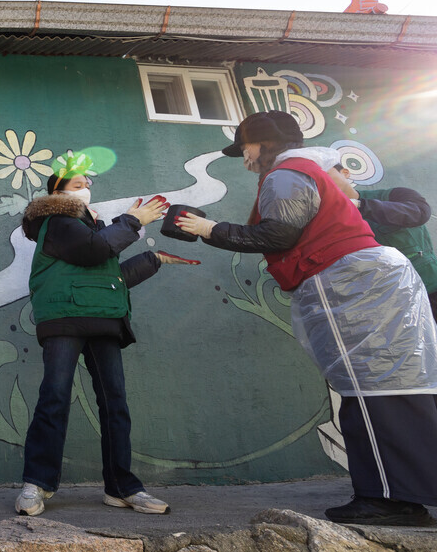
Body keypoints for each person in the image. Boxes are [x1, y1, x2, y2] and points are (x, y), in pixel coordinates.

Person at [177, 111, 437, 526]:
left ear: (262, 143)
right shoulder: (298, 173)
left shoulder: (286, 174)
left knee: (366, 387)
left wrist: (209, 228)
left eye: (243, 146)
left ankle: (389, 499)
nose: (242, 156)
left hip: (349, 279)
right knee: (392, 384)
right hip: (366, 276)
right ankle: (401, 493)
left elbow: (280, 234)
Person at [16, 153, 188, 518]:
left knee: (115, 403)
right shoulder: (58, 220)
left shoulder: (95, 229)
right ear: (58, 192)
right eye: (78, 184)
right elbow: (93, 252)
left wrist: (155, 260)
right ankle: (37, 482)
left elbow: (108, 278)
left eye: (88, 183)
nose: (87, 188)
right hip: (64, 318)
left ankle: (122, 487)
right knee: (55, 397)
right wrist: (132, 221)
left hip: (103, 318)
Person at [327, 163, 437, 316]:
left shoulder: (396, 195)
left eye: (324, 173)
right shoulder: (329, 224)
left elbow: (420, 213)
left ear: (346, 173)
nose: (321, 181)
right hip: (394, 308)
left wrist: (360, 206)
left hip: (431, 288)